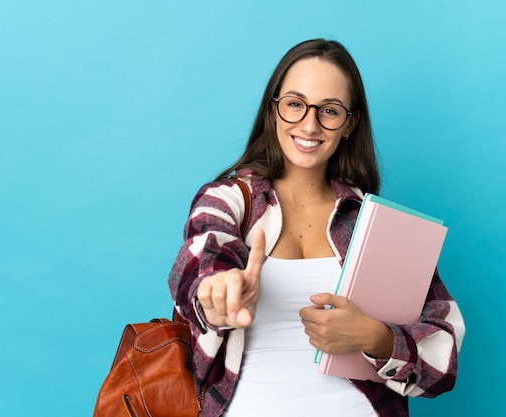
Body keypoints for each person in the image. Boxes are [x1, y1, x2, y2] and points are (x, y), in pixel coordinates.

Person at [168, 38, 465, 417]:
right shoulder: (228, 200)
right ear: (273, 109)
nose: (309, 124)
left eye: (329, 110)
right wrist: (217, 291)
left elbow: (444, 356)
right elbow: (201, 262)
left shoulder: (375, 224)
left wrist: (375, 337)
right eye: (294, 104)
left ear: (349, 124)